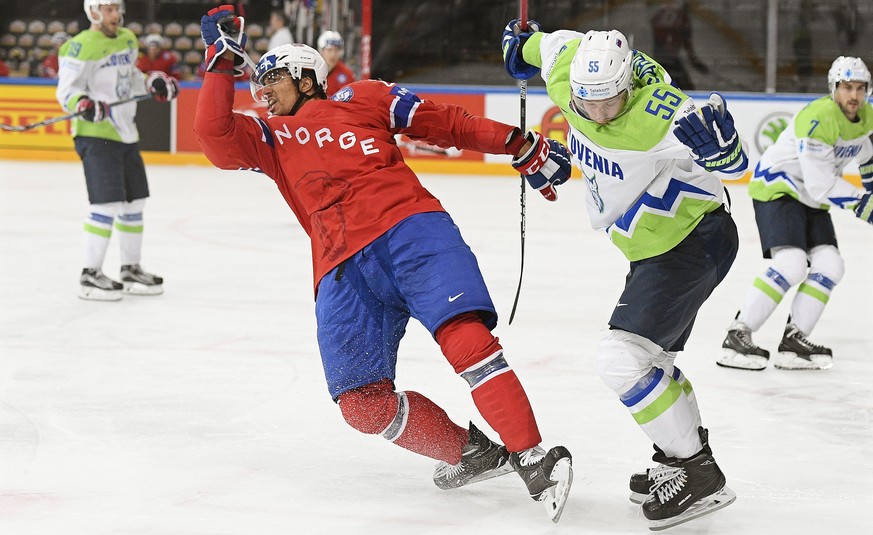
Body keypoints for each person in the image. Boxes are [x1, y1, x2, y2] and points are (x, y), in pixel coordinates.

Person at [194, 5, 574, 522]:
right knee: (361, 403)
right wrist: (219, 65)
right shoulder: (269, 138)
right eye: (258, 83)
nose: (263, 91)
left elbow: (448, 124)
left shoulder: (362, 97)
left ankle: (532, 456)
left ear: (308, 78)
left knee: (467, 340)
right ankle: (472, 453)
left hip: (411, 231)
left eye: (274, 78)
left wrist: (517, 141)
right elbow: (214, 137)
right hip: (341, 270)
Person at [503, 22, 747, 530]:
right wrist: (516, 45)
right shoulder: (568, 63)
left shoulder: (657, 112)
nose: (596, 113)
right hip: (660, 247)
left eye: (608, 103)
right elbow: (537, 44)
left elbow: (728, 152)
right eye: (585, 102)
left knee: (620, 358)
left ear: (628, 88)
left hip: (691, 241)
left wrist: (730, 155)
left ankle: (699, 473)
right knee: (654, 360)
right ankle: (678, 457)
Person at [718, 56, 873, 371]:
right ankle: (737, 334)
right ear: (833, 88)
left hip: (811, 198)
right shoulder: (818, 118)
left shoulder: (867, 116)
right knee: (790, 265)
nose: (854, 96)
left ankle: (794, 341)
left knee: (830, 266)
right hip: (778, 187)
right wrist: (866, 207)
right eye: (846, 87)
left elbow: (868, 159)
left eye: (860, 88)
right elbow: (820, 183)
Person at [57, 0, 179, 301]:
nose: (116, 15)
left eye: (116, 9)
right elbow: (67, 91)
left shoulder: (126, 38)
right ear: (94, 12)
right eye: (108, 9)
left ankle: (130, 268)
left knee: (134, 202)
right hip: (96, 134)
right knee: (106, 205)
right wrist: (83, 103)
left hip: (126, 133)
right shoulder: (79, 46)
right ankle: (90, 274)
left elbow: (131, 79)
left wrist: (152, 83)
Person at [649, 0, 708, 90]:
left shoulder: (681, 19)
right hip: (664, 60)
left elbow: (687, 45)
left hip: (668, 60)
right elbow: (686, 45)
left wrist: (696, 62)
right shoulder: (679, 18)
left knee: (685, 86)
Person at [317, 30, 356, 97]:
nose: (333, 54)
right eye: (329, 50)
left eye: (337, 50)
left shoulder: (347, 74)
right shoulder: (312, 71)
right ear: (321, 51)